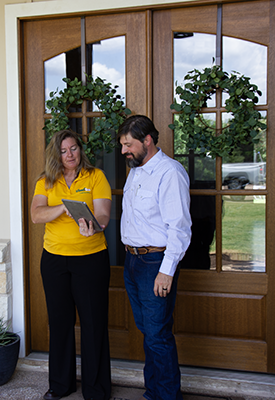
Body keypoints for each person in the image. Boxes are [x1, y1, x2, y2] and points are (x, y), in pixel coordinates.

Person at [30, 129, 112, 400]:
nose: (70, 155)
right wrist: (63, 208)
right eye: (64, 151)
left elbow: (102, 213)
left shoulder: (95, 176)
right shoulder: (45, 181)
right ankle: (61, 386)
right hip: (54, 260)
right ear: (56, 154)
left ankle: (96, 389)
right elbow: (36, 214)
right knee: (60, 323)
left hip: (90, 259)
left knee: (93, 323)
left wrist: (96, 226)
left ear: (80, 149)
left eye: (74, 148)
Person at [117, 115, 192, 400]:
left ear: (147, 140)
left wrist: (167, 270)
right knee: (148, 332)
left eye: (128, 144)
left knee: (158, 336)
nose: (123, 151)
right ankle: (153, 393)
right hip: (133, 262)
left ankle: (167, 396)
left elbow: (180, 228)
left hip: (155, 264)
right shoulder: (136, 170)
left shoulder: (169, 172)